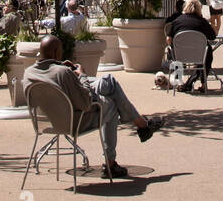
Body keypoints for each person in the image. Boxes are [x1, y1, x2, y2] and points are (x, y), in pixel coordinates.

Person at [23, 35, 163, 179]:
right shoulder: (62, 73)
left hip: (47, 121)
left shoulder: (29, 73)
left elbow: (56, 89)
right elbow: (86, 103)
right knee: (111, 103)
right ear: (55, 52)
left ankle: (141, 125)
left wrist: (68, 73)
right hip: (75, 121)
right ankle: (113, 160)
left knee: (108, 82)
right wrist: (82, 74)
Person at [164, 0, 217, 90]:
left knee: (173, 52)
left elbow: (168, 39)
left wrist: (174, 46)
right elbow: (212, 36)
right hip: (198, 54)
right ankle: (203, 84)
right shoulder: (202, 21)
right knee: (207, 51)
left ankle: (179, 82)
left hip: (180, 54)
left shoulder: (177, 21)